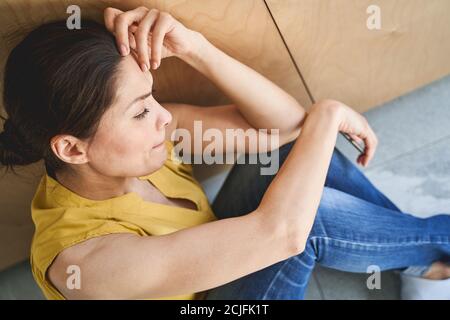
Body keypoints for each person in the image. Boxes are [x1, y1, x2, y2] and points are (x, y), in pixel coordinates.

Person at [0, 6, 448, 300]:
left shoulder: (130, 145)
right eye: (139, 112)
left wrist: (195, 47)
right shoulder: (84, 264)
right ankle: (437, 254)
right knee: (312, 213)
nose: (162, 118)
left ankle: (426, 265)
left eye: (151, 97)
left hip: (212, 261)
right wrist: (327, 114)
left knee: (295, 151)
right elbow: (284, 234)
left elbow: (285, 127)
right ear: (73, 148)